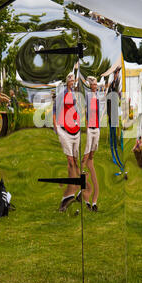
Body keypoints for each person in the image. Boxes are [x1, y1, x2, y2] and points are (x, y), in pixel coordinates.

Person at [53, 72, 81, 212]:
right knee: (70, 161)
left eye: (73, 80)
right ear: (67, 81)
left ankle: (77, 188)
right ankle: (68, 196)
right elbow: (54, 110)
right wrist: (57, 128)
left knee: (75, 162)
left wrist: (78, 122)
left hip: (75, 131)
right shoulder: (62, 94)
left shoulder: (75, 95)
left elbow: (76, 110)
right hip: (64, 131)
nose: (72, 82)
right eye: (70, 80)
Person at [81, 76, 100, 212]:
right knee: (87, 152)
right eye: (94, 84)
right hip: (90, 127)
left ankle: (89, 165)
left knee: (93, 152)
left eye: (97, 84)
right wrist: (87, 125)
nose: (96, 86)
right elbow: (86, 110)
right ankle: (82, 170)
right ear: (91, 85)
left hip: (97, 127)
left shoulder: (98, 96)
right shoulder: (88, 95)